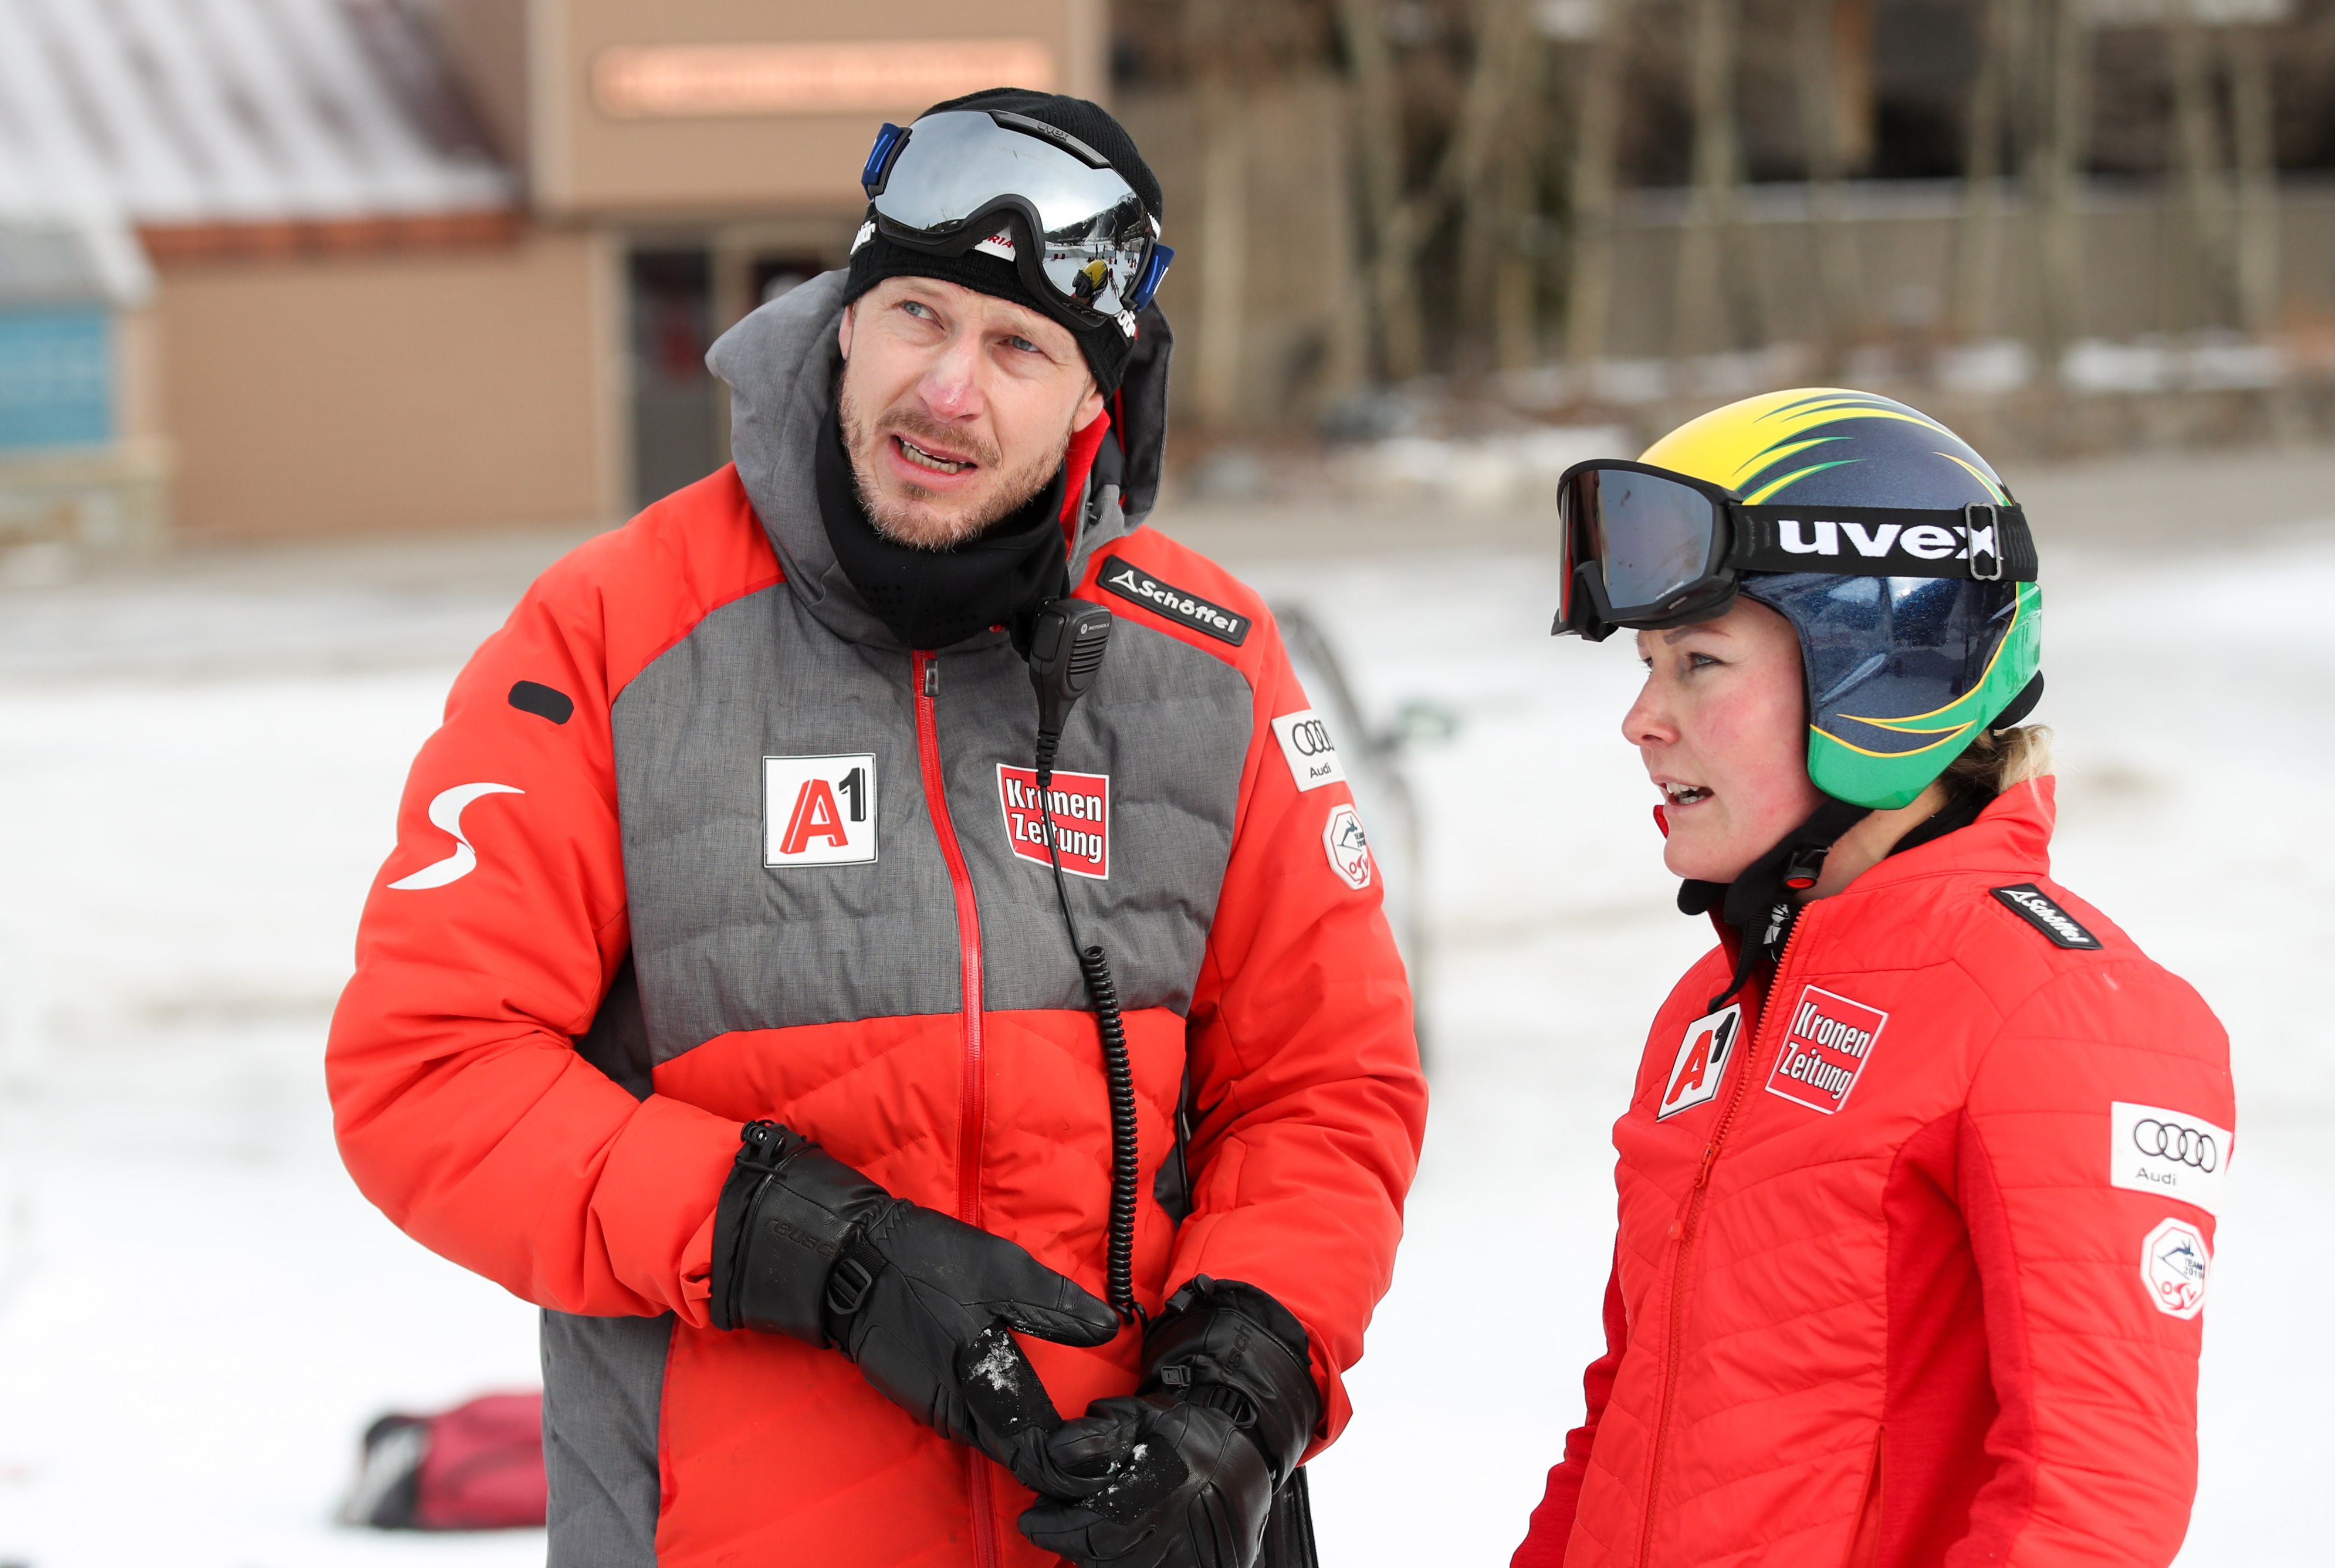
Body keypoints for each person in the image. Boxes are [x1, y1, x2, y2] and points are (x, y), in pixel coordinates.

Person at [327, 91, 1426, 1568]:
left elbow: (1325, 1080)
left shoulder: (1205, 664)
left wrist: (1244, 1384)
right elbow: (430, 1064)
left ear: (1094, 396)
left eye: (1019, 346)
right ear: (843, 315)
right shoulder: (610, 633)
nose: (948, 390)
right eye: (917, 313)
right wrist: (809, 1245)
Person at [1512, 390, 2232, 1568]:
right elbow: (1618, 1430)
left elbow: (2088, 1503)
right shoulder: (1710, 1011)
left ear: (1882, 670)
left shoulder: (2059, 1013)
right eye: (1645, 665)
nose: (1640, 718)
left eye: (1697, 661)